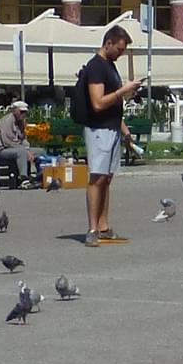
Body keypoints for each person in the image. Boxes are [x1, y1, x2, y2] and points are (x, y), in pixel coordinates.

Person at [76, 27, 143, 245]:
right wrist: (124, 90)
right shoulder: (96, 67)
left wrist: (124, 129)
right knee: (97, 177)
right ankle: (92, 229)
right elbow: (98, 103)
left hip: (112, 127)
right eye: (119, 49)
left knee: (107, 178)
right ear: (108, 43)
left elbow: (113, 103)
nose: (121, 54)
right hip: (98, 129)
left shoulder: (110, 66)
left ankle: (103, 225)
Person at [0, 100, 34, 188]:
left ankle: (38, 176)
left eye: (25, 112)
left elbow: (23, 139)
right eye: (21, 112)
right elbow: (8, 143)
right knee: (21, 153)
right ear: (14, 111)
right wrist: (25, 150)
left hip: (17, 148)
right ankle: (23, 179)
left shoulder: (21, 122)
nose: (23, 114)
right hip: (1, 150)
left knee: (39, 152)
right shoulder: (7, 121)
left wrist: (28, 148)